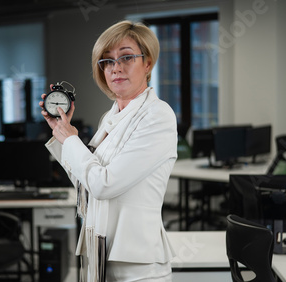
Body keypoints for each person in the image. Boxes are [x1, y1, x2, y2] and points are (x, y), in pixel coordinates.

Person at [40, 20, 177, 282]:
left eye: (126, 57)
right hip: (101, 256)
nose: (116, 68)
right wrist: (62, 132)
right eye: (107, 61)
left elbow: (104, 184)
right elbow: (86, 183)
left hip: (137, 266)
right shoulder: (111, 117)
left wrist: (71, 141)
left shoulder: (158, 115)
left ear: (147, 63)